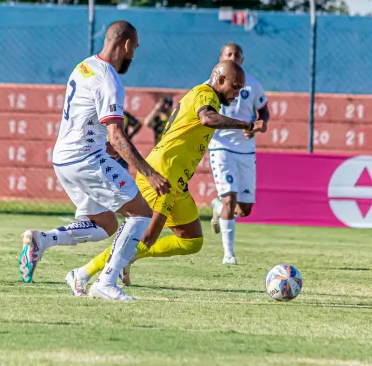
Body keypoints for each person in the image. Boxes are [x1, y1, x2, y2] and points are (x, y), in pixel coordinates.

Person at [66, 61, 266, 295]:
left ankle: (126, 258)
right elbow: (207, 119)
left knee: (191, 241)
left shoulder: (207, 96)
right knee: (147, 237)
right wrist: (249, 124)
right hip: (162, 177)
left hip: (176, 181)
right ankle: (83, 273)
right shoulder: (205, 93)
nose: (237, 94)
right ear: (220, 80)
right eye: (235, 87)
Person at [18, 20, 171, 301]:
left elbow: (90, 120)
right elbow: (117, 135)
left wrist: (105, 143)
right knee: (140, 213)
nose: (133, 56)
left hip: (64, 159)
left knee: (105, 225)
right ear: (125, 45)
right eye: (134, 49)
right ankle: (107, 282)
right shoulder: (108, 78)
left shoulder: (84, 66)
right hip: (86, 158)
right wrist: (149, 173)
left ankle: (43, 239)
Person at [209, 43, 270, 265]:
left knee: (244, 209)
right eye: (229, 54)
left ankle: (217, 206)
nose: (233, 57)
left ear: (242, 60)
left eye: (237, 55)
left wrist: (260, 124)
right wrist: (243, 124)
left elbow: (263, 111)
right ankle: (229, 255)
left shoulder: (252, 84)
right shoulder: (210, 86)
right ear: (221, 59)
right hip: (221, 147)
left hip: (245, 151)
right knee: (229, 198)